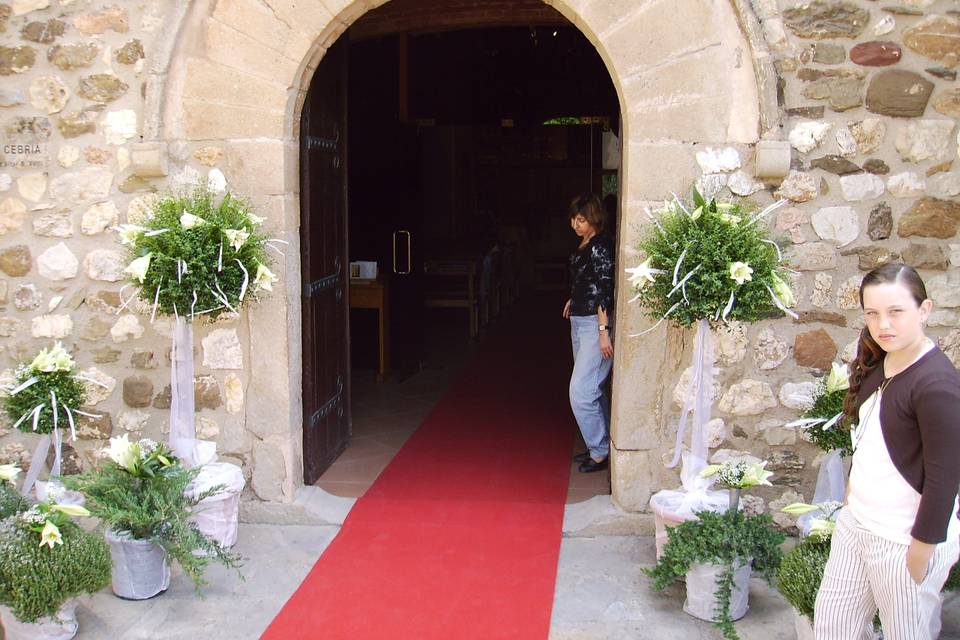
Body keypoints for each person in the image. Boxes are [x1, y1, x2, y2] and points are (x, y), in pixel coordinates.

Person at [814, 263, 960, 640]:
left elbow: (946, 478)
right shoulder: (883, 361)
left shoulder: (937, 385)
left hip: (902, 541)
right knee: (832, 627)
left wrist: (920, 552)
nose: (884, 325)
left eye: (896, 312)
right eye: (872, 313)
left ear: (924, 310)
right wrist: (850, 497)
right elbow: (871, 440)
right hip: (857, 525)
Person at [562, 194, 615, 473]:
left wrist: (604, 332)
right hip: (580, 322)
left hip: (595, 324)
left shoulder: (601, 245)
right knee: (592, 389)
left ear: (594, 218)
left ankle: (599, 451)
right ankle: (600, 447)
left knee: (581, 391)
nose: (575, 224)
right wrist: (574, 298)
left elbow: (604, 289)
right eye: (573, 219)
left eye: (581, 220)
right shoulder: (584, 244)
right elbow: (586, 282)